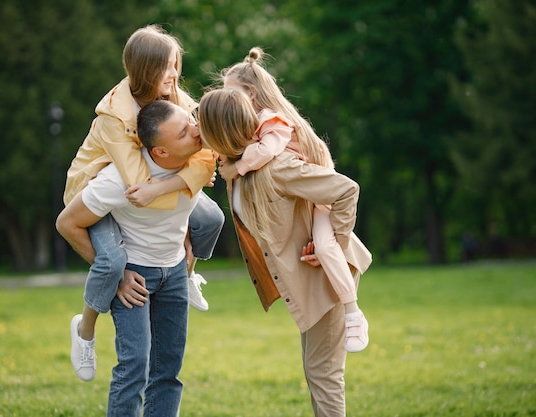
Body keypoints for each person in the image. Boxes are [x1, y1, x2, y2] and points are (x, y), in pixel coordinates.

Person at [61, 25, 224, 382]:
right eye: (166, 67)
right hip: (97, 194)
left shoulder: (175, 98)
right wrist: (191, 182)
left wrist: (194, 178)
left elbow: (206, 145)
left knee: (210, 218)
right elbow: (139, 187)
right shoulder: (114, 117)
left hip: (151, 191)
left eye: (176, 64)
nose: (174, 73)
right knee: (113, 259)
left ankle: (187, 274)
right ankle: (85, 328)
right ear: (145, 70)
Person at [198, 88, 372, 417]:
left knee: (323, 374)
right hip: (305, 281)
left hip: (327, 278)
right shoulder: (238, 167)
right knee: (317, 371)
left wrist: (335, 241)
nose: (197, 131)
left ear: (219, 131)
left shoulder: (278, 167)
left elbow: (346, 190)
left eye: (202, 125)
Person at [57, 99, 208, 416]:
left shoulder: (201, 158)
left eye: (190, 121)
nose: (197, 130)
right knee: (135, 366)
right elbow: (67, 223)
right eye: (184, 132)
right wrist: (118, 274)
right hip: (135, 274)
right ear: (161, 152)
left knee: (168, 370)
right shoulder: (119, 181)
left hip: (175, 272)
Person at [214, 48, 370, 353]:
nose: (226, 100)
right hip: (317, 200)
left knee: (326, 247)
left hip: (323, 203)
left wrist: (235, 167)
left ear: (251, 94)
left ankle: (354, 314)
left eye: (230, 93)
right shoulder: (253, 126)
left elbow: (266, 152)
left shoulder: (272, 121)